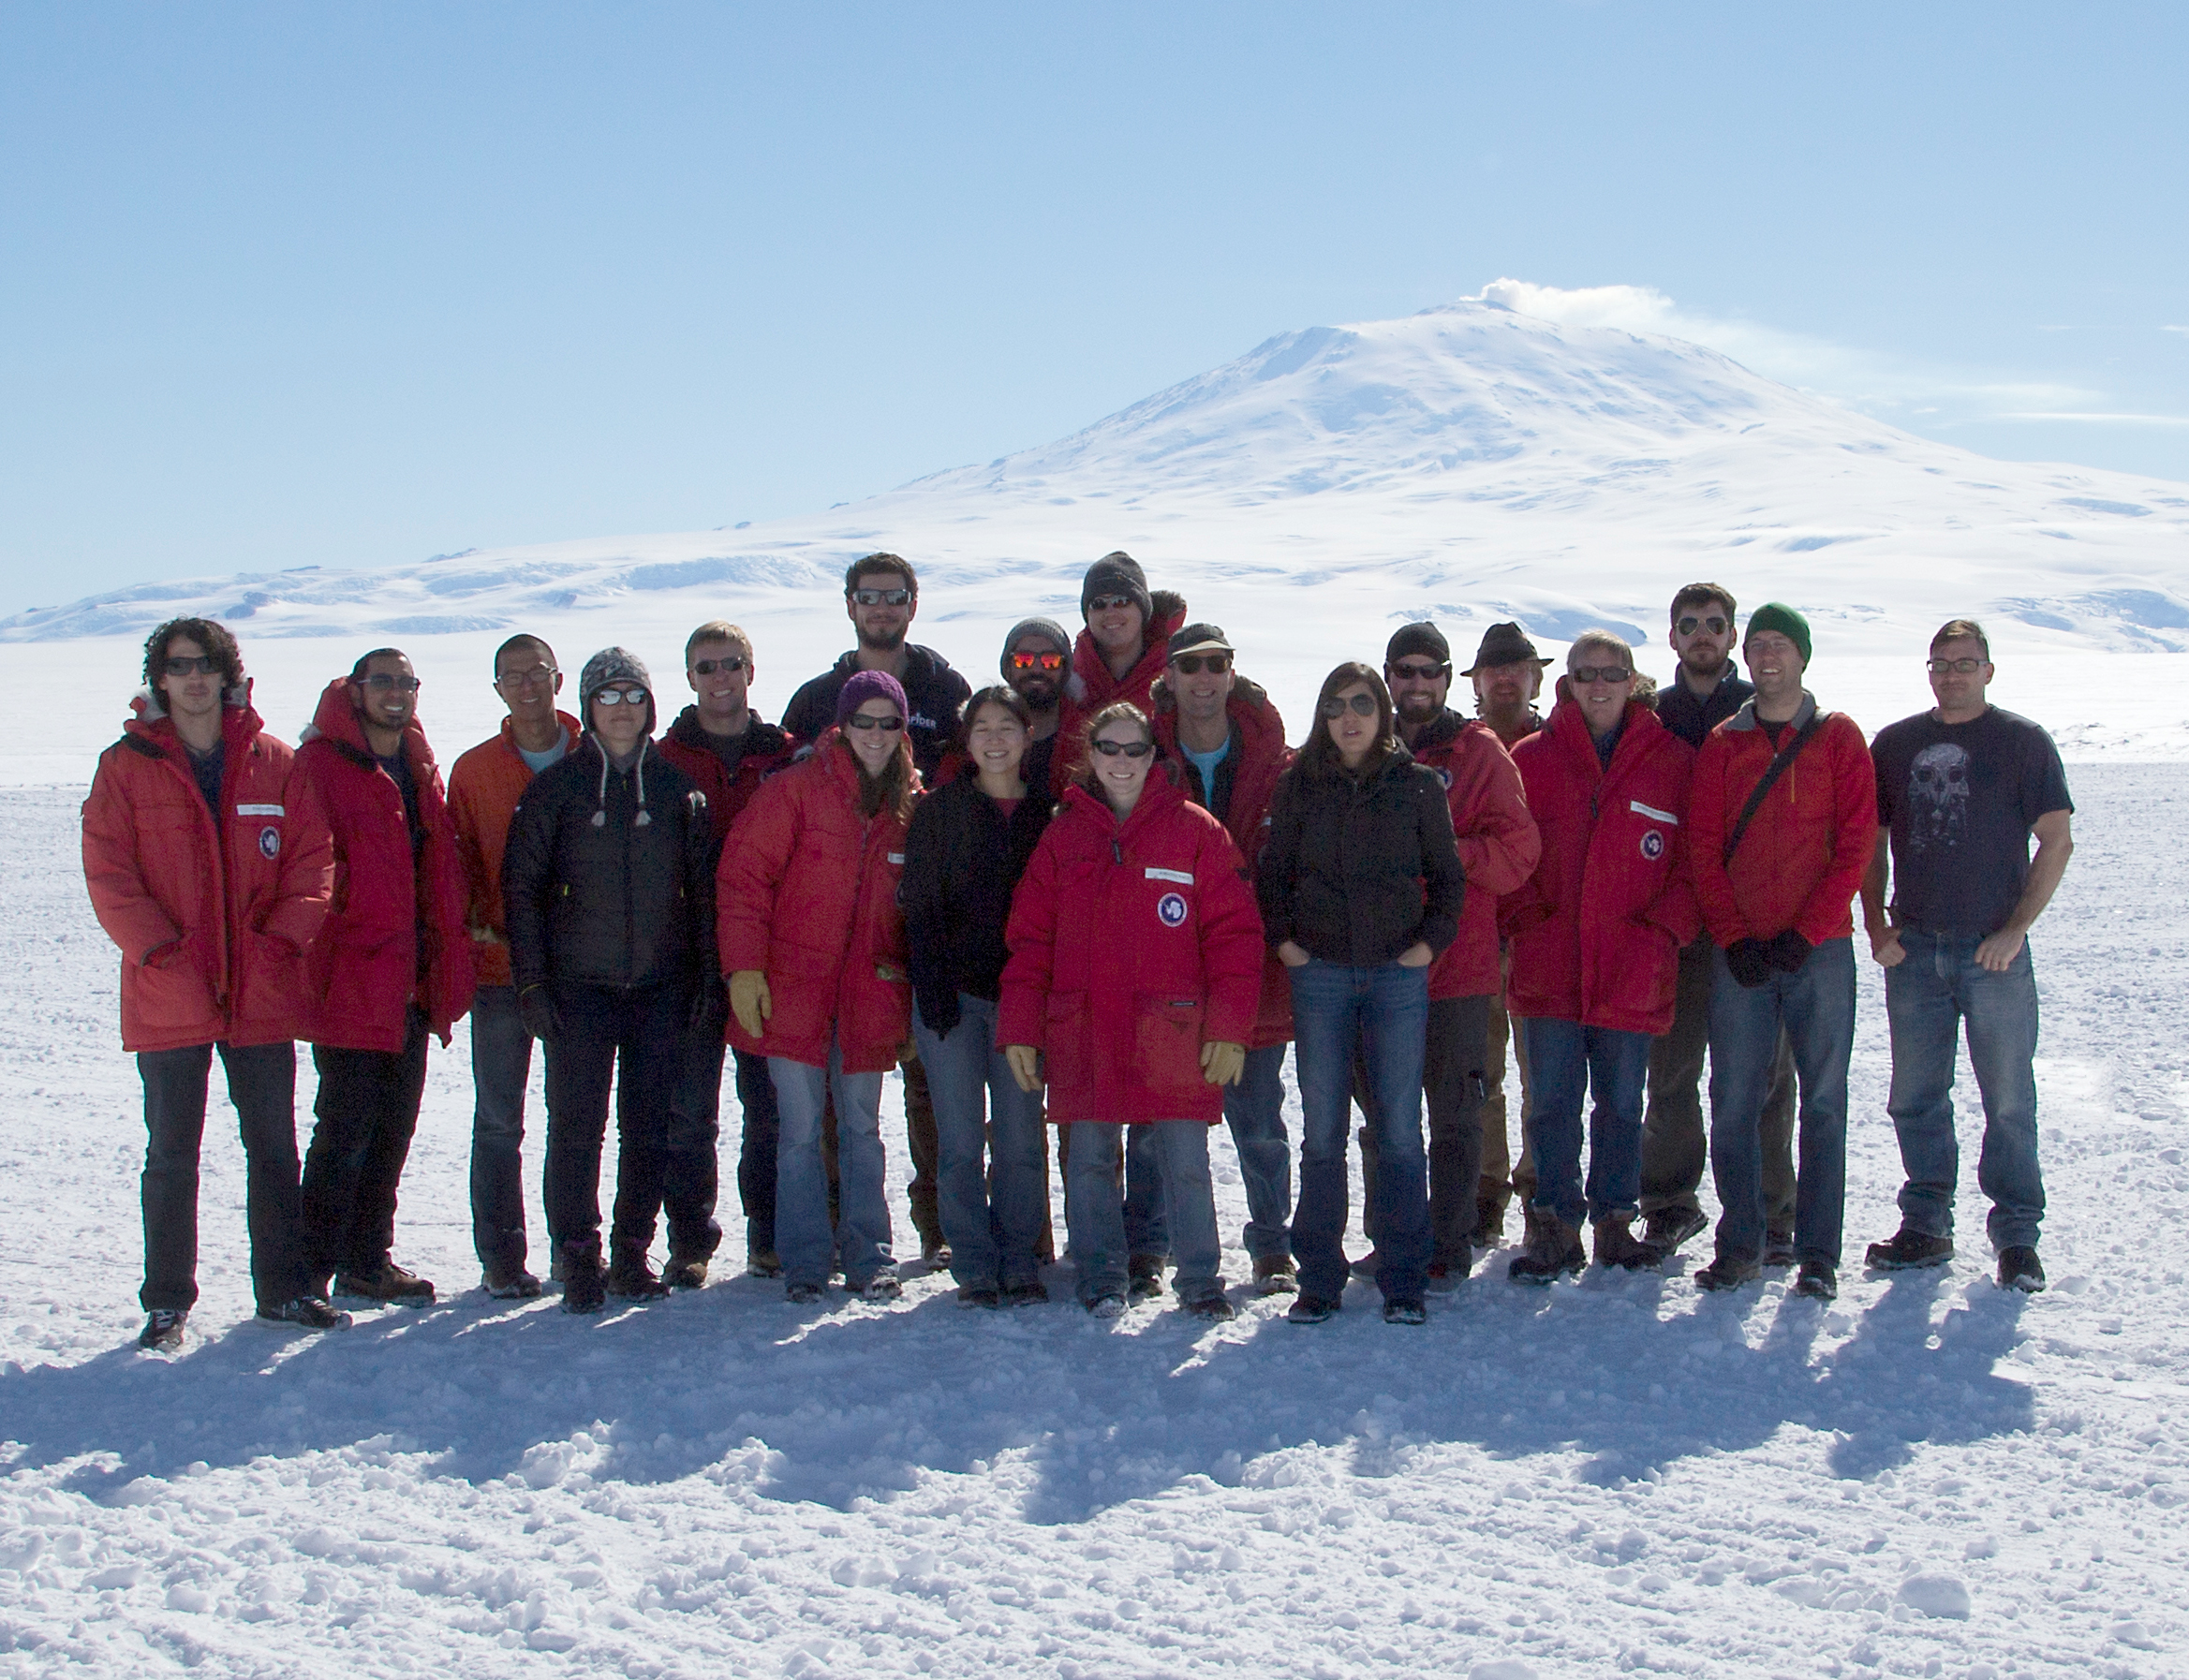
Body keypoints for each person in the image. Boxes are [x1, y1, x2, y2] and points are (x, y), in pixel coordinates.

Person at [82, 618, 348, 1349]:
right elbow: (109, 870)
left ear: (229, 675)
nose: (194, 678)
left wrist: (284, 937)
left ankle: (284, 1291)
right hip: (172, 988)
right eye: (179, 665)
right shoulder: (125, 766)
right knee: (171, 1152)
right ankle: (167, 1300)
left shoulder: (275, 763)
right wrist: (157, 948)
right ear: (159, 678)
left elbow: (312, 857)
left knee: (272, 1147)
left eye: (207, 665)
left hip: (259, 989)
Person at [998, 702, 1263, 1319]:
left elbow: (1234, 938)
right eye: (1108, 749)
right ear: (1089, 755)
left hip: (1169, 1031)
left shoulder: (1195, 831)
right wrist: (1020, 1026)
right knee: (1088, 1158)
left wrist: (1228, 1028)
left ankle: (1199, 1279)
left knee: (1185, 1162)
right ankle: (1100, 1275)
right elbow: (1030, 939)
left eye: (1133, 749)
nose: (1121, 761)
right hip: (1084, 1028)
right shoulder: (1063, 836)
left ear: (1153, 756)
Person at [501, 649, 719, 1313]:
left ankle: (630, 1250)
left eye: (632, 696)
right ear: (589, 707)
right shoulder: (556, 791)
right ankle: (578, 1255)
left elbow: (704, 898)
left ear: (649, 707)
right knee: (575, 1128)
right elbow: (522, 892)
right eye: (608, 696)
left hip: (660, 988)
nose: (621, 709)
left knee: (647, 1127)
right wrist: (533, 985)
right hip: (579, 989)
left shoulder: (680, 792)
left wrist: (706, 982)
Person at [1861, 620, 2073, 1293]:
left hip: (1993, 953)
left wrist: (2014, 930)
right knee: (1915, 1097)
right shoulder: (1894, 745)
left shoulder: (2020, 743)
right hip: (1915, 948)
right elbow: (1870, 840)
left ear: (1988, 670)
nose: (1951, 674)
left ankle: (2015, 1236)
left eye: (1965, 663)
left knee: (2007, 1098)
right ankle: (1925, 1225)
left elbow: (2056, 840)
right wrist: (1874, 922)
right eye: (1941, 663)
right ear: (1927, 671)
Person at [1259, 664, 1466, 1326]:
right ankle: (1319, 1275)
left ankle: (1403, 1276)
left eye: (1361, 705)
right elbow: (1273, 874)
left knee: (1400, 1129)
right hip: (1319, 974)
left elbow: (1448, 879)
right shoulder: (1299, 786)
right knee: (1322, 1130)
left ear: (1380, 713)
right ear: (1321, 717)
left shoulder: (1416, 787)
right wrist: (1287, 942)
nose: (1349, 718)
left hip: (1394, 976)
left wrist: (1426, 947)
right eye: (1335, 706)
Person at [779, 553, 964, 1263]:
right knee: (836, 1099)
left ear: (913, 604)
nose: (881, 609)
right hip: (834, 928)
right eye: (869, 597)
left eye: (894, 596)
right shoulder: (816, 696)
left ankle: (942, 1228)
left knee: (929, 1089)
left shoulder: (946, 689)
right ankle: (830, 1231)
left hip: (919, 917)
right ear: (849, 605)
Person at [1687, 605, 1875, 1301]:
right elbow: (1702, 847)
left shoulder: (1837, 738)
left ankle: (1816, 1253)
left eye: (1781, 646)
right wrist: (1733, 937)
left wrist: (1808, 930)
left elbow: (1854, 842)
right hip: (1742, 957)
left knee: (1822, 1102)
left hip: (1817, 952)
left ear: (1801, 657)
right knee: (1733, 1099)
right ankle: (1741, 1242)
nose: (1768, 657)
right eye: (1758, 645)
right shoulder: (1721, 745)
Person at [720, 671, 923, 1304]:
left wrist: (911, 995)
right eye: (863, 721)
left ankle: (871, 1257)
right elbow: (744, 880)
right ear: (840, 725)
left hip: (870, 994)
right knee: (801, 1131)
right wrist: (745, 969)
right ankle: (805, 1261)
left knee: (862, 1128)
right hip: (792, 990)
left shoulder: (909, 804)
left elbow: (919, 910)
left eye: (888, 722)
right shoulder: (796, 792)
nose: (875, 734)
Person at [1501, 632, 1697, 1280]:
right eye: (1585, 674)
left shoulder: (1670, 761)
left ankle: (1614, 1219)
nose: (1598, 685)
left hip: (1629, 962)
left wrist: (1661, 931)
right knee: (1551, 1100)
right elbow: (1508, 852)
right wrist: (1526, 921)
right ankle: (1555, 1220)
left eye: (1611, 673)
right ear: (1568, 683)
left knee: (1620, 1100)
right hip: (1550, 960)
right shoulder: (1530, 759)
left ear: (1633, 679)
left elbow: (1693, 863)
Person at [1354, 622, 1540, 1286]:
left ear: (1446, 677)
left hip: (1456, 968)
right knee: (1382, 1113)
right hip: (1372, 967)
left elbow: (1517, 853)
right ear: (1386, 676)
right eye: (1402, 671)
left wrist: (1441, 858)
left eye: (1428, 671)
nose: (1415, 684)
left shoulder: (1478, 750)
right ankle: (1390, 1235)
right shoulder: (1357, 744)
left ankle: (1450, 1240)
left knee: (1457, 1113)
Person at [294, 648, 475, 1307]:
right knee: (343, 1128)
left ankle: (368, 1259)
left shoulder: (418, 761)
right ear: (355, 690)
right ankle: (310, 1271)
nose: (397, 693)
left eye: (407, 682)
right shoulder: (318, 765)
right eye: (384, 681)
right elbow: (305, 863)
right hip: (350, 977)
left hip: (411, 980)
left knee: (394, 1128)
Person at [1638, 585, 1798, 1264]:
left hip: (1753, 923)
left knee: (1761, 1076)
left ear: (1731, 637)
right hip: (1675, 922)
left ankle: (1772, 1213)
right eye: (1688, 626)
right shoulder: (1652, 716)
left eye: (1713, 625)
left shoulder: (1762, 710)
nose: (1701, 635)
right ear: (1671, 638)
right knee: (1670, 1073)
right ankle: (1670, 1204)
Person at [1146, 623, 1299, 1294]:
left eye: (1215, 665)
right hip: (1165, 967)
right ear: (1170, 679)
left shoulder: (1276, 762)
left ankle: (1271, 1245)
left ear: (1231, 674)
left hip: (1254, 971)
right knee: (1158, 1122)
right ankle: (1148, 1245)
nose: (1203, 678)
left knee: (1259, 1118)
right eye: (1190, 667)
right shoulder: (1139, 756)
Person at [654, 620, 799, 1284]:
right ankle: (689, 1239)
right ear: (689, 678)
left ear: (750, 671)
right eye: (706, 667)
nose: (720, 678)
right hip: (682, 956)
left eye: (731, 664)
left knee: (767, 1105)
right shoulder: (664, 757)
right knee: (688, 1110)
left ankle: (768, 1234)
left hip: (765, 953)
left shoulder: (784, 754)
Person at [902, 686, 1056, 1307]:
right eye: (982, 728)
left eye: (1006, 727)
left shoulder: (1047, 815)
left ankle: (1019, 1257)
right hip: (954, 1000)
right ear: (966, 742)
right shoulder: (940, 812)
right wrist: (933, 993)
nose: (995, 739)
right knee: (960, 1140)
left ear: (1026, 736)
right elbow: (919, 905)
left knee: (1020, 1138)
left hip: (1022, 1004)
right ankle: (972, 1262)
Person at [448, 634, 581, 1298]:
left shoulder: (598, 753)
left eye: (537, 673)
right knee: (499, 1119)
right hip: (500, 972)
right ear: (496, 688)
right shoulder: (473, 770)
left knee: (573, 1117)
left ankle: (571, 1249)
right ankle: (501, 1258)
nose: (527, 685)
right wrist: (476, 918)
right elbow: (460, 856)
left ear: (559, 678)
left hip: (579, 973)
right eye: (512, 676)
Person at [1463, 621, 1553, 1245]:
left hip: (1542, 935)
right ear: (1474, 682)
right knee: (1479, 1074)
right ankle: (1484, 1189)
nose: (1504, 679)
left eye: (1515, 668)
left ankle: (1541, 1187)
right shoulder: (1460, 748)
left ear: (1535, 677)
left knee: (1543, 1073)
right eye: (1493, 670)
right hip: (1472, 935)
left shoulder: (1556, 745)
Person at [1051, 551, 1190, 792]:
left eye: (1122, 601)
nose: (1110, 612)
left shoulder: (1180, 675)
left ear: (1143, 609)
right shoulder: (1066, 681)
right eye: (1098, 604)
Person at [999, 616, 1072, 796]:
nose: (1037, 670)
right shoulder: (981, 731)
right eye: (1023, 660)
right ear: (1008, 668)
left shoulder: (1086, 734)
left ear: (1064, 670)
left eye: (1050, 661)